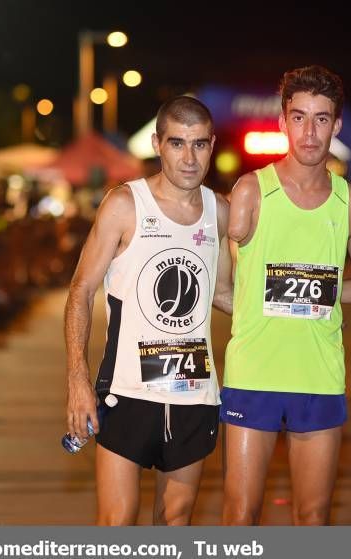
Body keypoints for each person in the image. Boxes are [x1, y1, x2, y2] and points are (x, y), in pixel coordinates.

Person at [222, 65, 351, 525]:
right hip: (253, 373)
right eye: (299, 117)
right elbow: (222, 278)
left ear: (337, 125)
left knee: (313, 516)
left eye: (321, 118)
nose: (310, 131)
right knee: (240, 515)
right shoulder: (250, 191)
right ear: (282, 121)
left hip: (319, 377)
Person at [64, 96, 233, 525]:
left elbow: (226, 294)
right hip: (128, 393)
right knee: (117, 523)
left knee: (175, 522)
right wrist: (77, 380)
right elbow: (81, 290)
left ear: (212, 145)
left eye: (199, 144)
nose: (189, 157)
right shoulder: (124, 204)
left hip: (194, 393)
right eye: (178, 143)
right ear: (158, 144)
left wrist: (302, 305)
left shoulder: (221, 213)